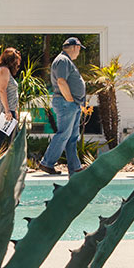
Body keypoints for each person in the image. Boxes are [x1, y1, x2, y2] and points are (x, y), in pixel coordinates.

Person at [34, 37, 87, 175]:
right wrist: (70, 100)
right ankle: (47, 163)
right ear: (75, 47)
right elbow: (61, 81)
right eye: (79, 49)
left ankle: (75, 168)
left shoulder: (66, 61)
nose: (79, 53)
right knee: (64, 134)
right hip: (66, 103)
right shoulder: (62, 60)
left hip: (72, 104)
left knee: (72, 137)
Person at [0, 47, 21, 170]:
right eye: (17, 60)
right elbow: (2, 90)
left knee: (12, 137)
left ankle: (12, 164)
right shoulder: (5, 71)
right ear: (12, 60)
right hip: (5, 109)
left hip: (7, 108)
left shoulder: (1, 70)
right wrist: (7, 111)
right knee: (8, 138)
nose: (18, 63)